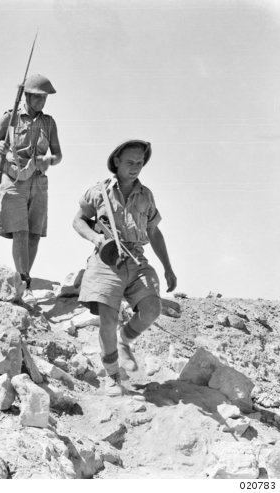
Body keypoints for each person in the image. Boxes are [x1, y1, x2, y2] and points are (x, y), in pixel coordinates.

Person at [73, 140, 177, 396]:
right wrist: (96, 238)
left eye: (140, 163)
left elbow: (153, 231)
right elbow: (78, 220)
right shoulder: (98, 192)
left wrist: (168, 267)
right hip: (106, 259)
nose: (136, 167)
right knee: (107, 318)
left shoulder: (146, 195)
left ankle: (125, 339)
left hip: (136, 258)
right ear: (117, 162)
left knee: (152, 308)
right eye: (130, 162)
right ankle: (111, 374)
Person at [0, 74, 62, 303]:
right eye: (37, 97)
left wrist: (49, 161)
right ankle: (24, 280)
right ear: (27, 96)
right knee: (20, 231)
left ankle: (24, 279)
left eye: (44, 98)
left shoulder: (49, 122)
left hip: (38, 180)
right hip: (14, 179)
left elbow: (58, 154)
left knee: (34, 234)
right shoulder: (11, 118)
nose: (41, 102)